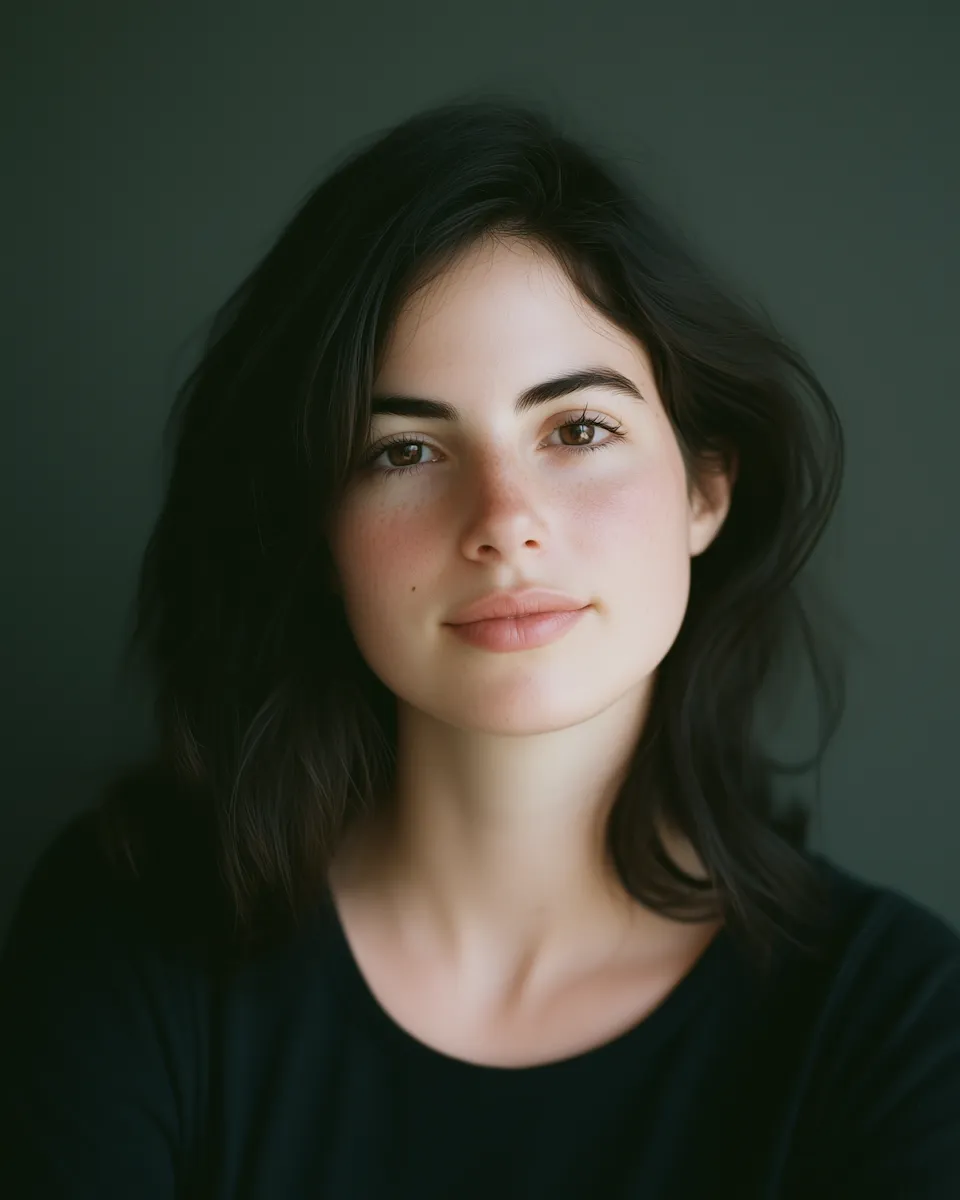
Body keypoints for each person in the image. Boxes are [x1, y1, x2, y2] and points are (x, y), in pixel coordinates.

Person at [1, 94, 958, 1199]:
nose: (505, 520)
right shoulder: (127, 936)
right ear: (317, 533)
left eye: (579, 429)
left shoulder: (899, 1027)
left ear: (706, 487)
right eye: (404, 450)